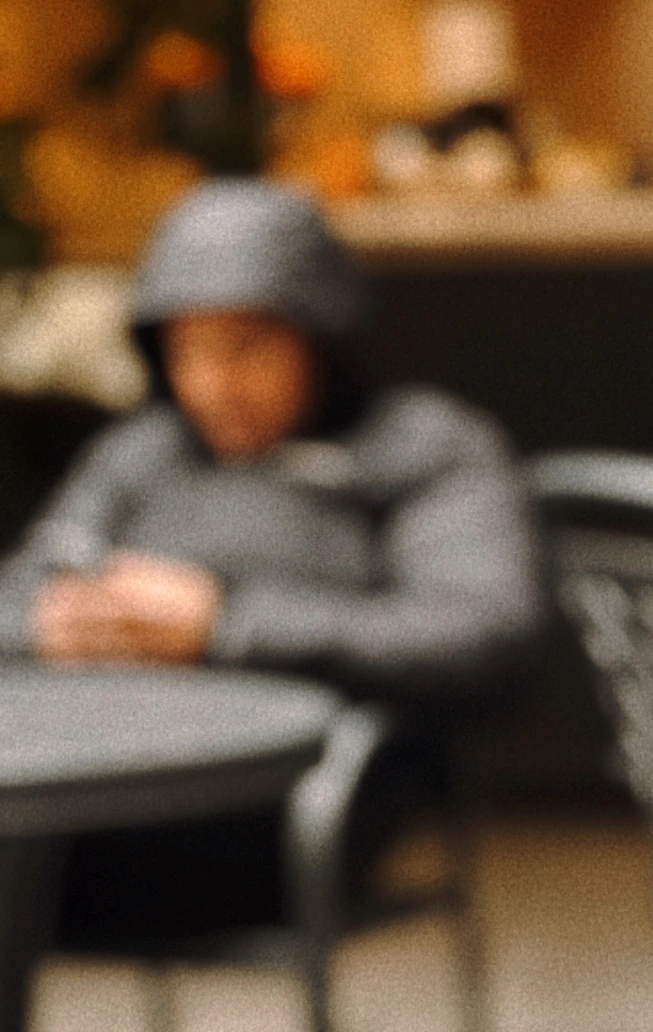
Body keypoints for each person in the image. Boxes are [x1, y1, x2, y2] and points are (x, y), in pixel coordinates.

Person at [0, 179, 542, 939]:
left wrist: (226, 626)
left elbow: (484, 633)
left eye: (247, 347)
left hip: (291, 813)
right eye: (187, 351)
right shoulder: (145, 454)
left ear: (321, 338)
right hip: (87, 799)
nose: (213, 384)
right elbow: (20, 594)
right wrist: (59, 624)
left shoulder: (422, 448)